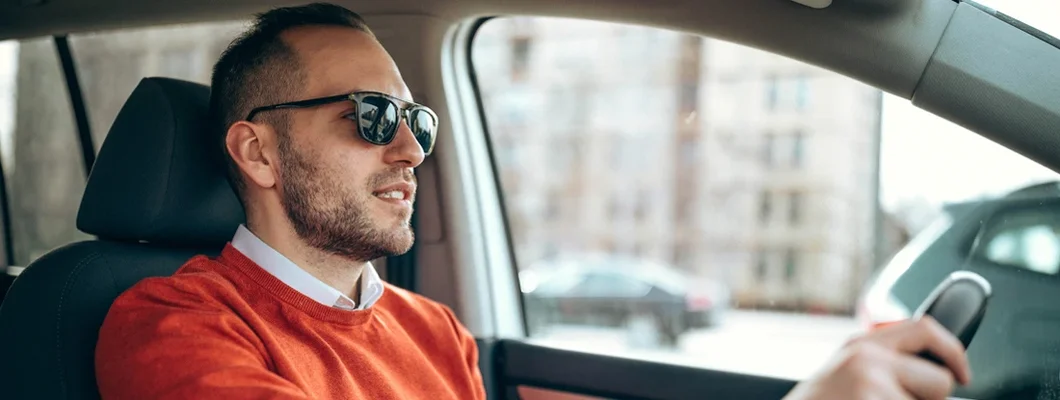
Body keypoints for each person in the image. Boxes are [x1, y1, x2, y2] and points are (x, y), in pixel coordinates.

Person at [93, 3, 971, 400]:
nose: (410, 150)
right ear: (256, 150)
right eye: (371, 118)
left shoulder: (432, 331)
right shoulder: (171, 324)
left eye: (418, 122)